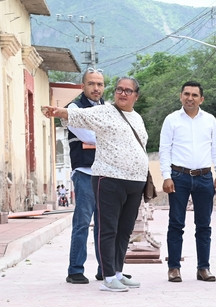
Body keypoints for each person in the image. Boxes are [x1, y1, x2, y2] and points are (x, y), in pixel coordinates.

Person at [42, 77, 148, 293]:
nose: (123, 93)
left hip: (134, 181)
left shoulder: (137, 118)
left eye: (128, 90)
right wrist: (57, 112)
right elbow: (79, 115)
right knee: (106, 229)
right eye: (119, 89)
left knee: (123, 230)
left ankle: (118, 272)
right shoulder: (104, 111)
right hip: (108, 178)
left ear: (136, 95)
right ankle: (107, 276)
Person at [159, 81, 216, 283]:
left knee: (204, 225)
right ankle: (174, 268)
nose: (190, 98)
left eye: (195, 95)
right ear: (181, 96)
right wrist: (166, 176)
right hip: (179, 177)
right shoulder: (171, 120)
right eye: (186, 94)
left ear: (201, 99)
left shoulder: (210, 120)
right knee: (176, 224)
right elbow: (164, 149)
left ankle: (203, 268)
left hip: (205, 177)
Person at [65, 68, 105, 284]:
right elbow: (89, 136)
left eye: (99, 84)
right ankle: (75, 270)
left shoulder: (109, 109)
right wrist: (105, 136)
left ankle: (105, 269)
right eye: (91, 84)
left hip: (105, 174)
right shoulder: (74, 108)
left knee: (105, 224)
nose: (96, 88)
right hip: (84, 173)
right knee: (82, 222)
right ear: (83, 86)